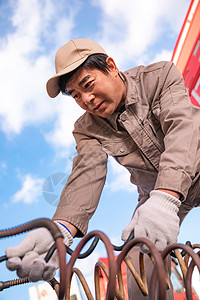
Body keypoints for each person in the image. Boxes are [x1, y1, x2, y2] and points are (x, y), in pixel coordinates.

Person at [6, 39, 200, 299]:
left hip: (188, 168)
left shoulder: (160, 76)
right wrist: (59, 232)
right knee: (138, 266)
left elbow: (182, 129)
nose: (86, 99)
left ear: (111, 66)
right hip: (153, 196)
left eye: (87, 85)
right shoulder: (86, 128)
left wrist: (166, 198)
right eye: (75, 95)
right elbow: (87, 175)